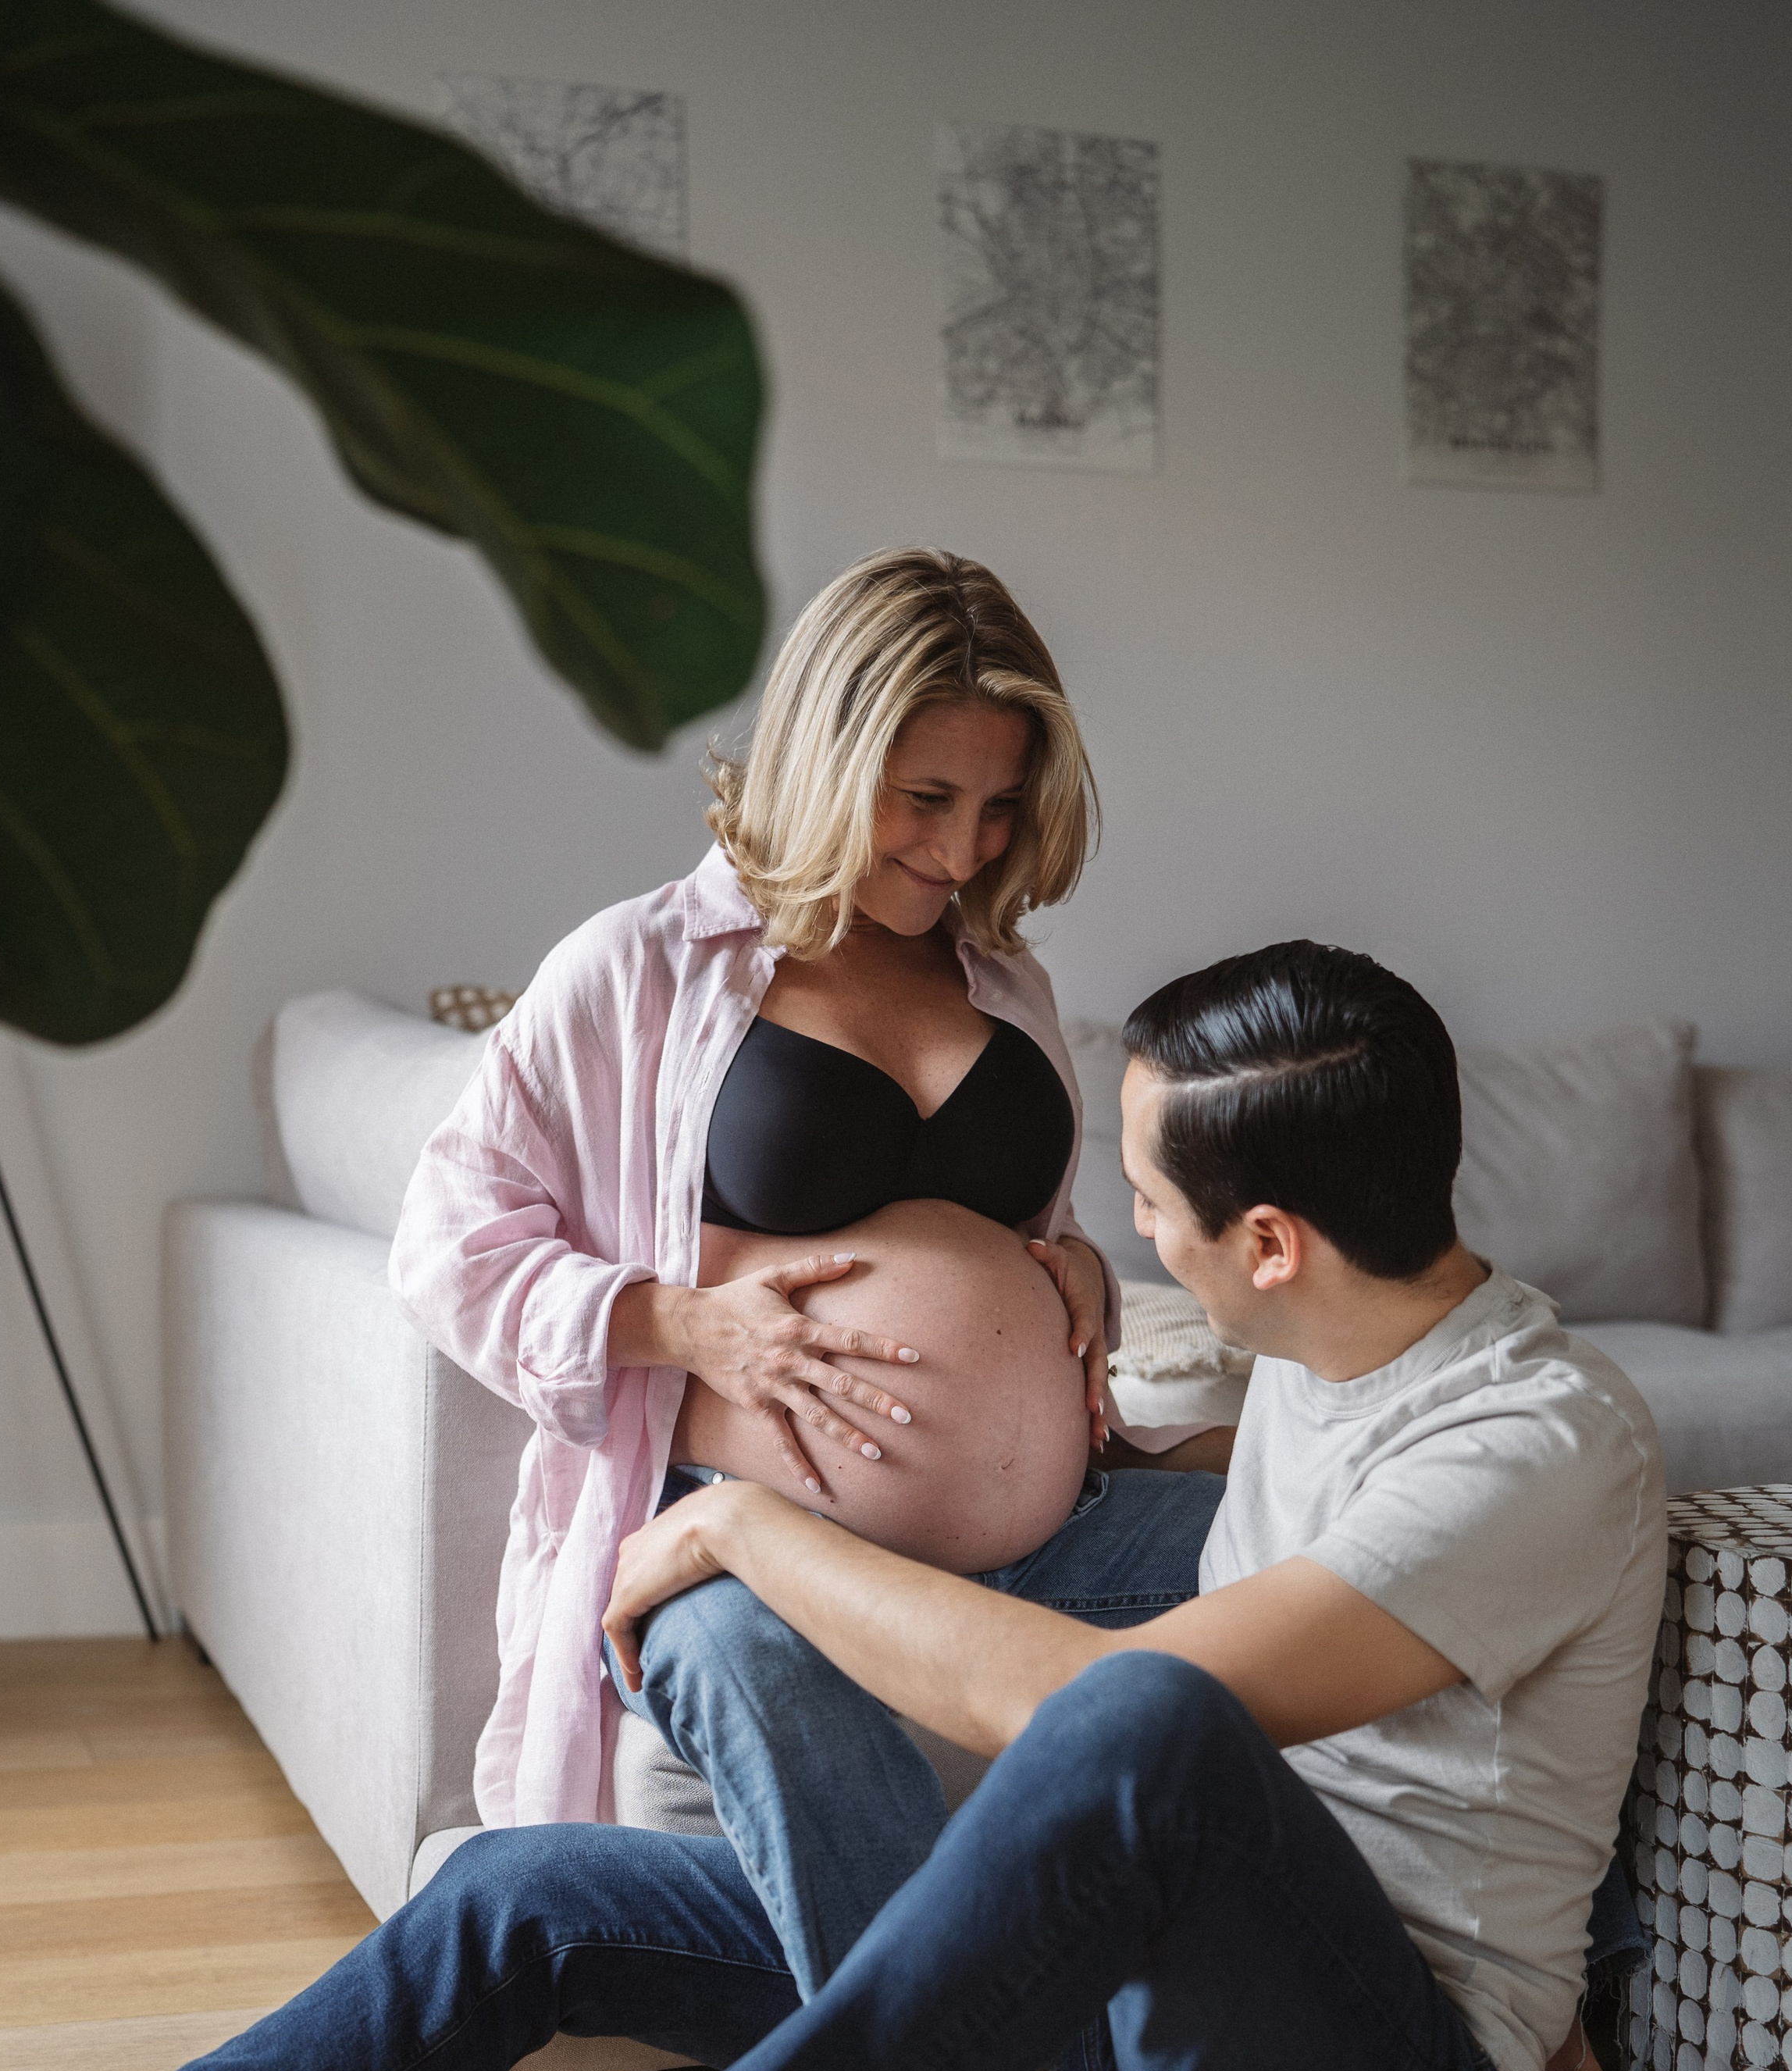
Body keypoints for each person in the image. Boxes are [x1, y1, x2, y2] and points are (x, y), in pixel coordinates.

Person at [0, 944, 1768, 2071]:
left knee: (1136, 1715)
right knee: (515, 1891)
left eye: (1140, 1206)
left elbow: (1096, 1712)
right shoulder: (1339, 1352)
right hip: (1166, 2003)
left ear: (1264, 1242)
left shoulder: (1533, 1444)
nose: (1119, 1234)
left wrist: (748, 1533)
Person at [389, 544, 1220, 1854]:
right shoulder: (643, 969)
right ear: (828, 758)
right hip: (751, 1553)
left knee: (1372, 1537)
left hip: (1055, 1539)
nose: (961, 848)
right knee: (745, 1662)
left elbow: (1024, 1245)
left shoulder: (1007, 984)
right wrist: (684, 1324)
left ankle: (1521, 2025)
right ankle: (956, 2052)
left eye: (999, 804)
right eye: (926, 796)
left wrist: (1085, 1283)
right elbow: (446, 1244)